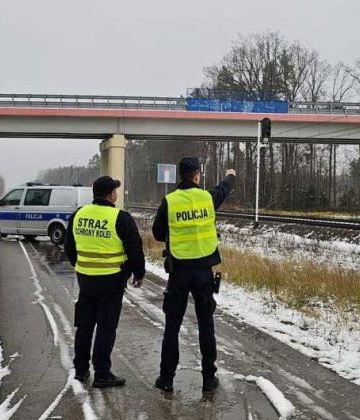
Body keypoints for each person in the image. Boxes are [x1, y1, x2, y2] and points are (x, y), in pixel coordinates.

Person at [153, 158, 236, 393]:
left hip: (179, 271)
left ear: (180, 176)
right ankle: (209, 378)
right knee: (206, 324)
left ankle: (167, 378)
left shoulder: (170, 201)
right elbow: (223, 190)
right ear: (197, 175)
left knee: (172, 325)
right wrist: (230, 175)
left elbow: (158, 233)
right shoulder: (207, 198)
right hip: (203, 272)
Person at [63, 175, 145, 388]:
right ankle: (102, 373)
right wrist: (138, 273)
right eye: (115, 190)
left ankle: (80, 370)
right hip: (111, 281)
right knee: (106, 328)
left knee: (84, 326)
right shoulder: (121, 217)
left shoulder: (78, 215)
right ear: (111, 194)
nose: (116, 193)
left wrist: (80, 265)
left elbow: (69, 246)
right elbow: (135, 249)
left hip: (86, 280)